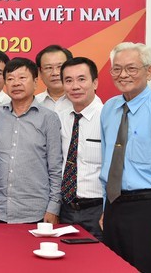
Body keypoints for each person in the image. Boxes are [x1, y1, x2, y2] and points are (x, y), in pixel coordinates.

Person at [100, 42, 151, 272]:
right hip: (114, 207)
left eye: (131, 68)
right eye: (116, 69)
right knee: (113, 268)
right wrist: (106, 209)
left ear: (149, 71)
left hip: (149, 208)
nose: (123, 75)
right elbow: (109, 162)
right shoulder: (109, 108)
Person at [0, 57, 63, 224]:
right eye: (10, 79)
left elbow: (55, 168)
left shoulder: (49, 118)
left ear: (35, 82)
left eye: (22, 78)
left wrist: (53, 207)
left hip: (36, 212)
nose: (16, 83)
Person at [58, 57, 103, 240]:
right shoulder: (60, 118)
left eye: (81, 79)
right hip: (66, 209)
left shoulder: (108, 117)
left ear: (95, 82)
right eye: (68, 80)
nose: (75, 86)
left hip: (97, 211)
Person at [35, 45, 73, 112]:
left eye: (60, 67)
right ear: (40, 73)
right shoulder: (34, 104)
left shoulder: (83, 101)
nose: (55, 73)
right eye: (48, 68)